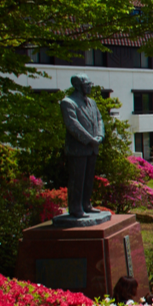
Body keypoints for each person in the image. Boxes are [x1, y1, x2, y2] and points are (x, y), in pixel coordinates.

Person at [60, 73, 105, 218]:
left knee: (88, 179)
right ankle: (75, 208)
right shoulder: (68, 102)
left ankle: (86, 204)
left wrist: (99, 136)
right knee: (77, 179)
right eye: (88, 84)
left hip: (92, 148)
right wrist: (89, 139)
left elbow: (99, 119)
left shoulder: (92, 102)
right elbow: (73, 125)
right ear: (78, 86)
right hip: (78, 149)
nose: (90, 87)